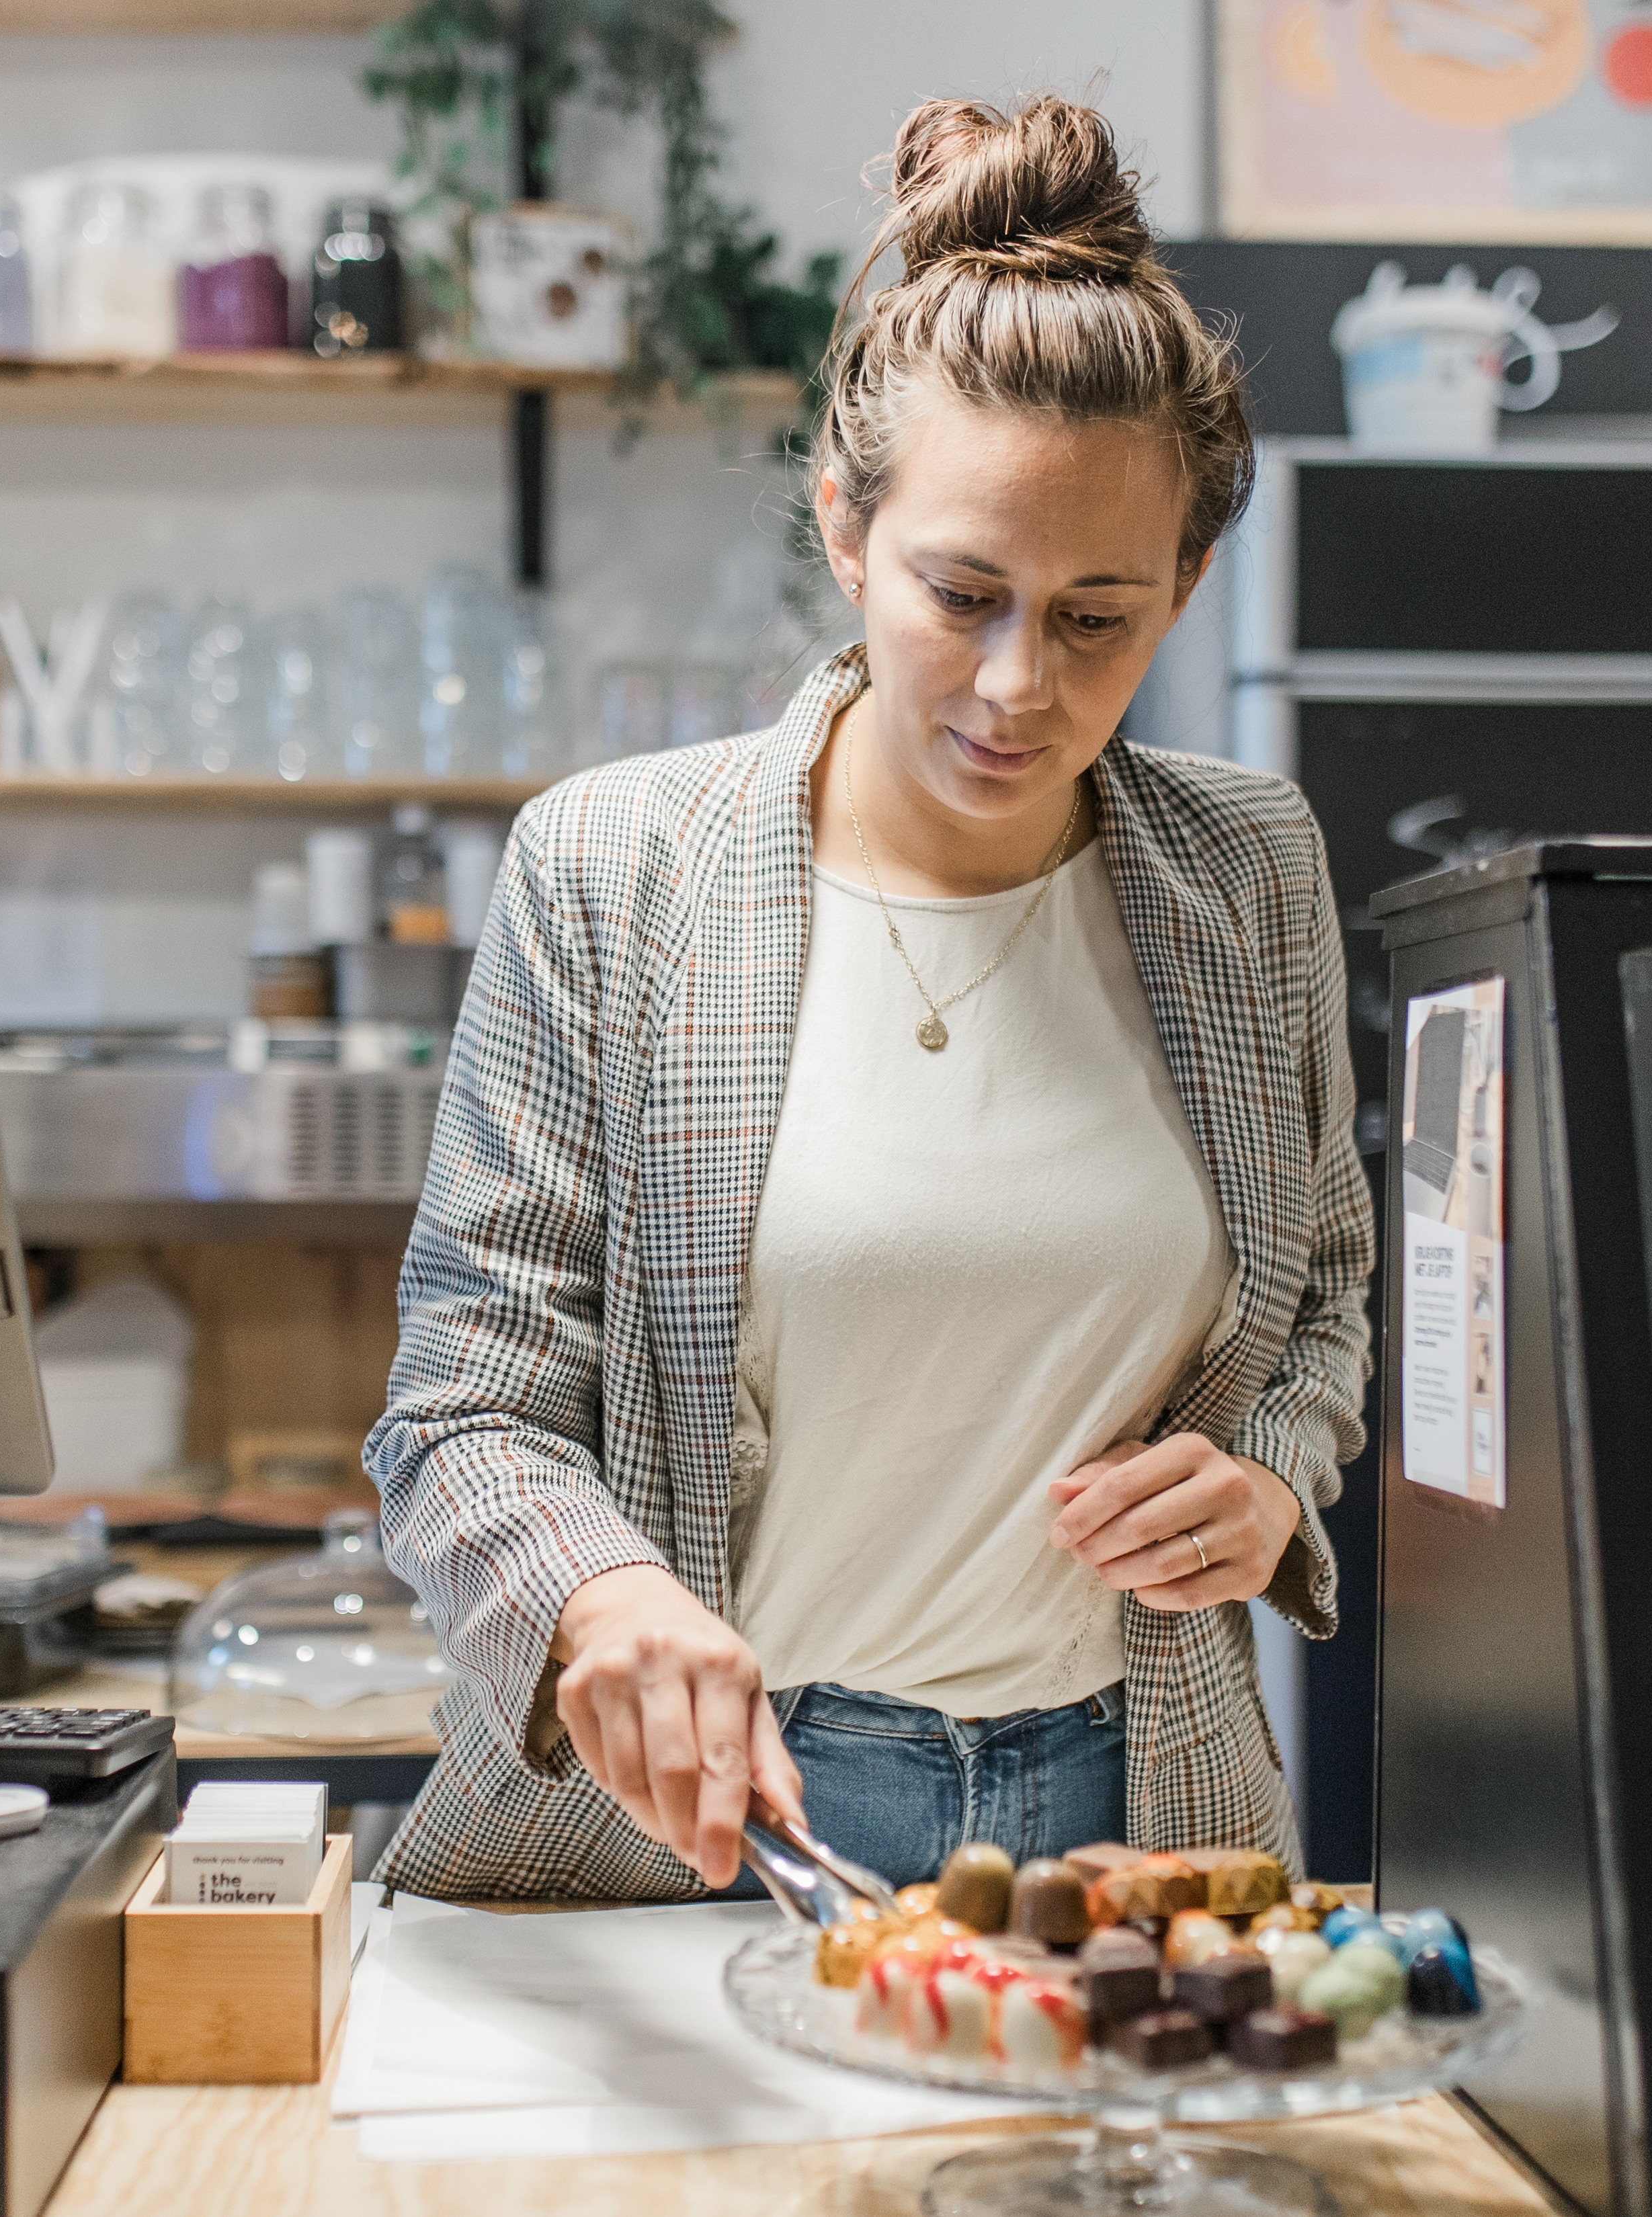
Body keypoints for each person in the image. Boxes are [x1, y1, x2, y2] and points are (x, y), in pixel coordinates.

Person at [366, 91, 1372, 1902]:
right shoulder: (615, 869)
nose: (1016, 682)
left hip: (1132, 1816)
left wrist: (1272, 1479)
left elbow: (1328, 1303)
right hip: (706, 1830)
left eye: (1098, 617)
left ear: (1189, 586)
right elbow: (461, 1401)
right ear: (844, 526)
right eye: (961, 591)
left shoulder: (1249, 873)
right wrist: (598, 1592)